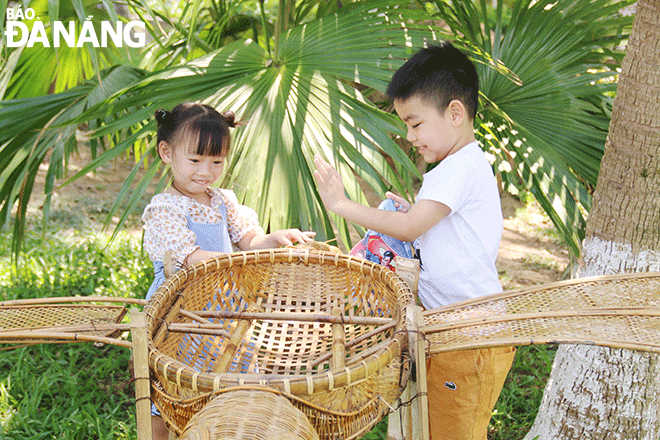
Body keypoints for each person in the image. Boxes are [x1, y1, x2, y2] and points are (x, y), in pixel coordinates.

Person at [313, 41, 515, 440]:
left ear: (455, 112)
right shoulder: (465, 164)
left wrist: (341, 203)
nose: (409, 136)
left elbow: (408, 231)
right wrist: (414, 211)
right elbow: (436, 228)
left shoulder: (456, 169)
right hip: (458, 334)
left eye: (416, 122)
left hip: (470, 340)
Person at [142, 102, 315, 438]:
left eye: (216, 161)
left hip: (227, 316)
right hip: (181, 317)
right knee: (169, 395)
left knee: (231, 387)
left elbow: (249, 240)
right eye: (195, 160)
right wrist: (236, 262)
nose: (205, 171)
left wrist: (272, 239)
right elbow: (192, 257)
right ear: (166, 152)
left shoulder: (223, 201)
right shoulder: (165, 209)